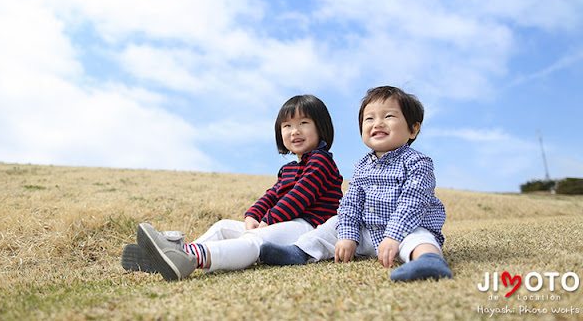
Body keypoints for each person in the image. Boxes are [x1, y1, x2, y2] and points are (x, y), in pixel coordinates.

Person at [121, 94, 343, 281]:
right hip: (283, 223)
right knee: (223, 226)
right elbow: (272, 195)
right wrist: (254, 214)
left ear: (320, 127)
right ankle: (176, 256)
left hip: (308, 228)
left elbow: (299, 197)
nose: (295, 131)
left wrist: (268, 221)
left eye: (303, 123)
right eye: (287, 126)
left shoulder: (321, 161)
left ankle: (191, 256)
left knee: (254, 240)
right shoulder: (288, 170)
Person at [260, 86, 452, 282]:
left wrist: (393, 236)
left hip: (404, 231)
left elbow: (413, 203)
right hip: (368, 232)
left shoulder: (417, 162)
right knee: (334, 224)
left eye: (388, 117)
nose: (378, 123)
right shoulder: (362, 166)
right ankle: (299, 251)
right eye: (369, 119)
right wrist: (348, 236)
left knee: (420, 238)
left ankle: (429, 261)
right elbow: (351, 203)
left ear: (413, 129)